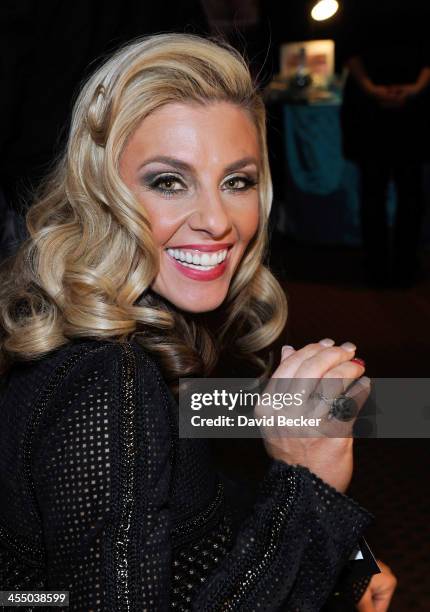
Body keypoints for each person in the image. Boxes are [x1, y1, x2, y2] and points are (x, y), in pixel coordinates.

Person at [0, 33, 396, 610]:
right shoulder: (108, 380)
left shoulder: (144, 334)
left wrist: (341, 552)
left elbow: (176, 507)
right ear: (101, 191)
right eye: (168, 181)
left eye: (238, 181)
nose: (218, 220)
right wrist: (307, 490)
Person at [340, 0, 430, 288]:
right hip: (369, 110)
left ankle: (406, 266)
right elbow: (348, 46)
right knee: (373, 190)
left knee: (411, 191)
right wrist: (370, 88)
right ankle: (376, 266)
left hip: (414, 109)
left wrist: (416, 88)